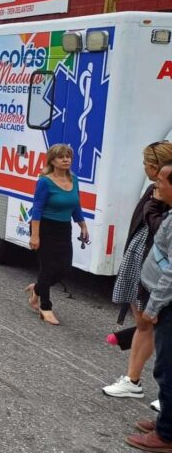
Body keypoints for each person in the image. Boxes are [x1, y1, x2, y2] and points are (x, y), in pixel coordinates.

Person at [104, 142, 172, 400]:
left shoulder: (163, 194)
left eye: (146, 163)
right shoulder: (155, 190)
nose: (143, 168)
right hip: (142, 260)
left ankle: (166, 396)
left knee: (159, 326)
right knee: (143, 322)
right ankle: (132, 380)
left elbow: (160, 230)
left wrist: (152, 206)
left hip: (159, 269)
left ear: (154, 167)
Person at [125, 160, 172, 452]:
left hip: (168, 303)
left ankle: (166, 436)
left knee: (167, 369)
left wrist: (153, 307)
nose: (156, 184)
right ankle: (167, 421)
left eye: (162, 181)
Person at [26, 144, 89, 326]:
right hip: (44, 228)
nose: (65, 160)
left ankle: (37, 288)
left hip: (63, 228)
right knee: (47, 268)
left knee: (64, 268)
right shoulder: (45, 182)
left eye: (68, 156)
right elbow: (37, 209)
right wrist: (35, 236)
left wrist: (82, 225)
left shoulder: (74, 179)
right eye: (61, 157)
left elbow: (75, 205)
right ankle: (45, 307)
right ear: (52, 161)